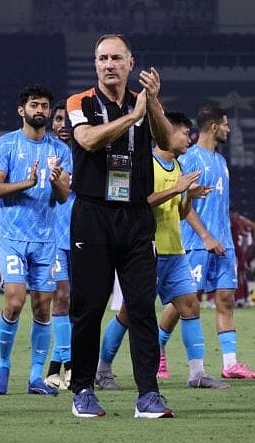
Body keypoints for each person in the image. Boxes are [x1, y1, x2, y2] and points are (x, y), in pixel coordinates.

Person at [66, 34, 174, 418]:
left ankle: (148, 395)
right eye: (102, 58)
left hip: (135, 215)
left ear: (131, 64)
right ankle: (82, 390)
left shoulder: (143, 101)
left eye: (116, 58)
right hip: (93, 214)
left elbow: (168, 141)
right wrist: (132, 117)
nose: (108, 64)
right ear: (95, 65)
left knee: (142, 305)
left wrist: (154, 104)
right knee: (88, 306)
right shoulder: (80, 102)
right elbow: (88, 141)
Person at [94, 111, 226, 390]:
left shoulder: (177, 167)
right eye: (183, 133)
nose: (188, 139)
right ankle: (102, 369)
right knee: (128, 312)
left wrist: (187, 196)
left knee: (190, 305)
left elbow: (178, 213)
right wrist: (176, 188)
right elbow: (137, 204)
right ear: (165, 133)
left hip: (174, 251)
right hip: (144, 251)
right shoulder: (145, 165)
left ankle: (197, 373)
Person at [0, 85, 71, 397]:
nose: (40, 110)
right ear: (21, 110)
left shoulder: (60, 151)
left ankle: (36, 377)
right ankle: (4, 365)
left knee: (42, 307)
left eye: (45, 106)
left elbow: (63, 198)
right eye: (34, 105)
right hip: (12, 237)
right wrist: (28, 182)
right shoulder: (5, 144)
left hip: (46, 240)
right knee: (15, 300)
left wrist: (57, 182)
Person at [179, 105, 255, 380]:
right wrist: (205, 236)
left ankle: (230, 364)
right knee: (183, 302)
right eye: (226, 125)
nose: (228, 129)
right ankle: (159, 355)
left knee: (226, 299)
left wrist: (220, 237)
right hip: (196, 243)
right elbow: (182, 205)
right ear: (214, 127)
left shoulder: (221, 162)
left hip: (223, 244)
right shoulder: (189, 159)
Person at [44, 100, 74, 390]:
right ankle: (69, 364)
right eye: (58, 119)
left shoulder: (88, 152)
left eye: (67, 120)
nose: (62, 125)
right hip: (54, 238)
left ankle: (57, 366)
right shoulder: (48, 153)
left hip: (82, 236)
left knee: (79, 302)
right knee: (61, 296)